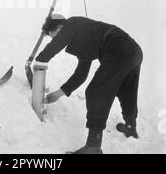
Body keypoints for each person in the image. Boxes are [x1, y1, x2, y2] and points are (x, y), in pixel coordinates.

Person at [35, 14, 143, 154]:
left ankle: (93, 146)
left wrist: (39, 61)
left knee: (96, 92)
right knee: (126, 91)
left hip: (118, 47)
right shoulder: (83, 37)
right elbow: (81, 75)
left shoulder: (72, 23)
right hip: (133, 51)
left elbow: (56, 45)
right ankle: (130, 127)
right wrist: (60, 93)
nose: (54, 39)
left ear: (60, 27)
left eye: (53, 35)